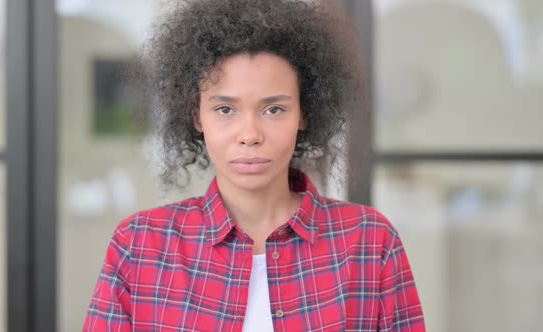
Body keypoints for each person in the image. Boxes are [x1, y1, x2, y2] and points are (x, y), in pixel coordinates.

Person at [84, 0, 425, 331]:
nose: (249, 135)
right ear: (196, 116)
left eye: (273, 109)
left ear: (304, 113)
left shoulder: (369, 242)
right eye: (225, 110)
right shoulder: (140, 246)